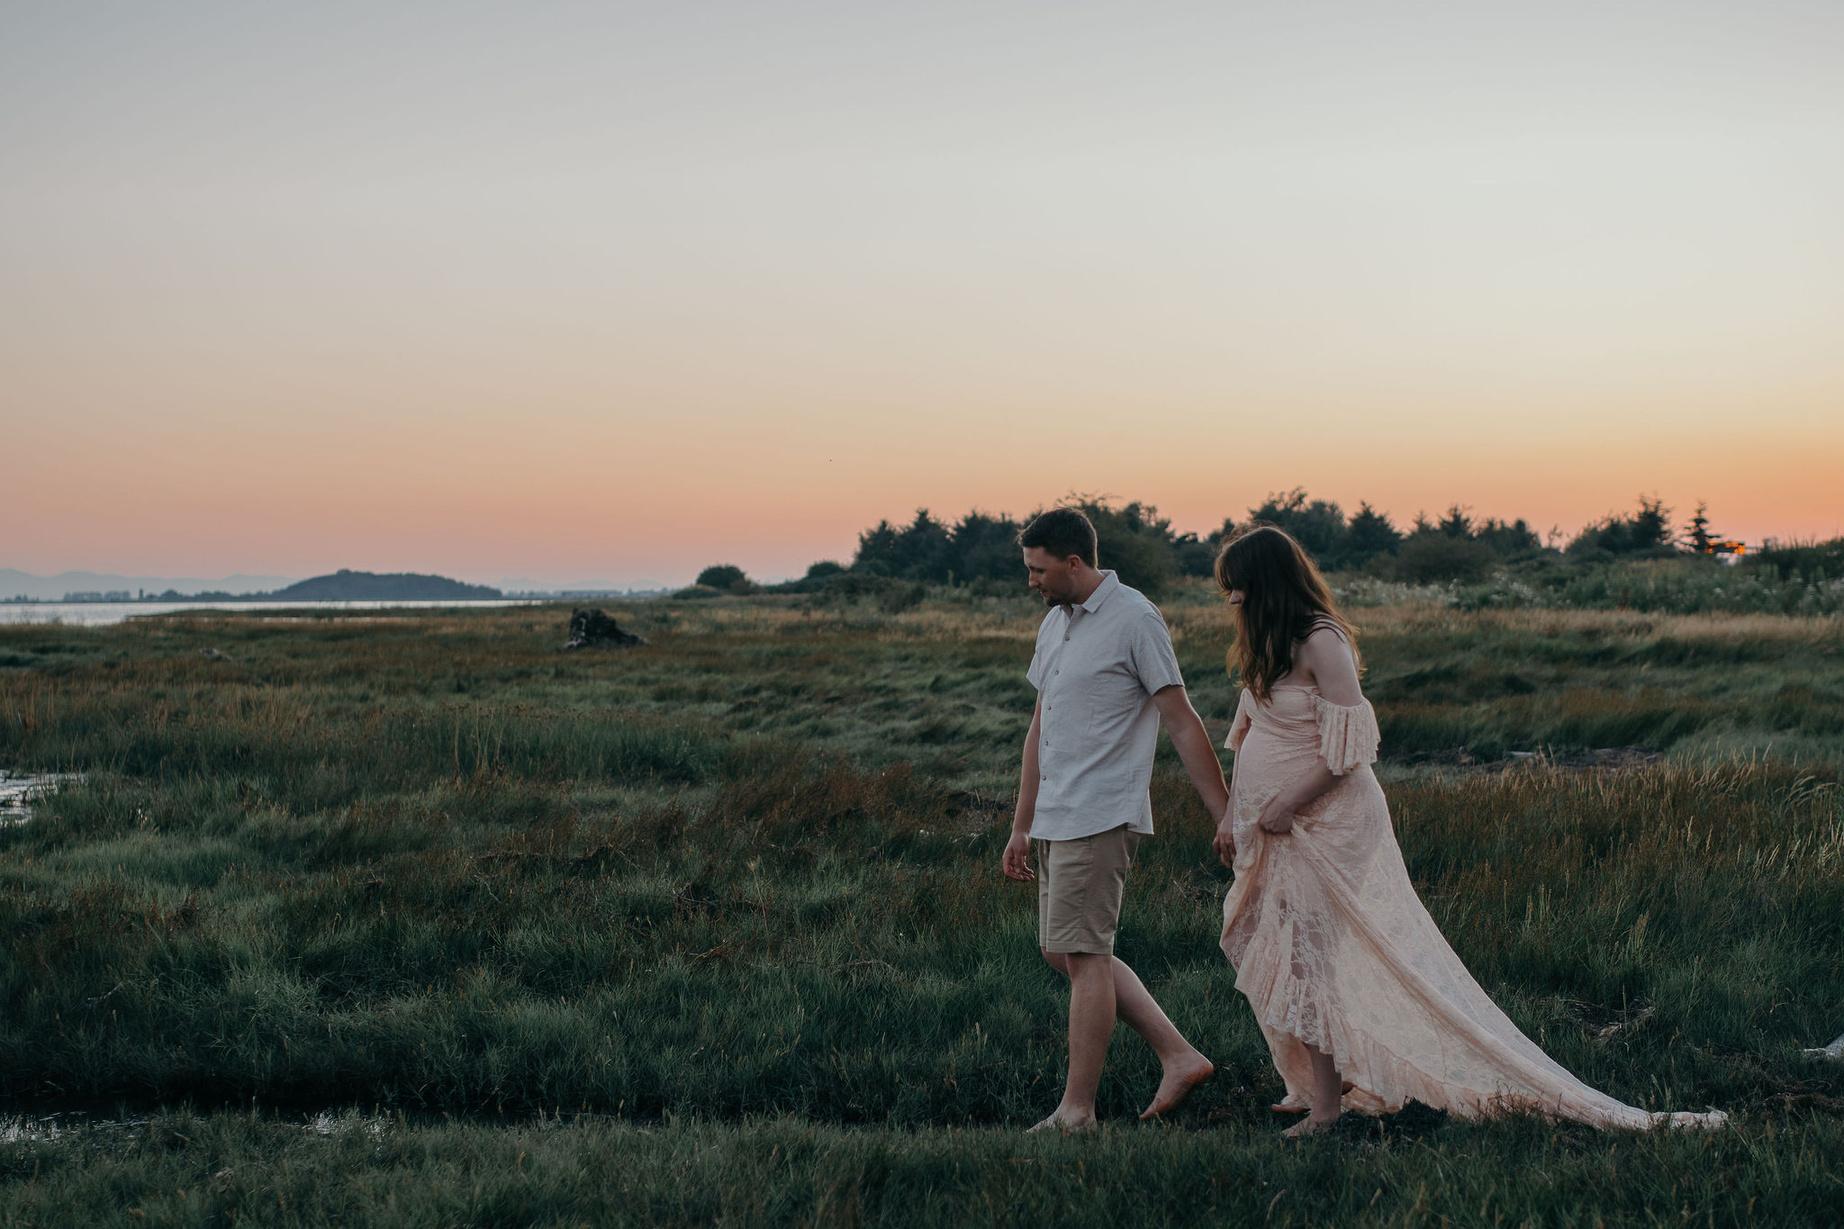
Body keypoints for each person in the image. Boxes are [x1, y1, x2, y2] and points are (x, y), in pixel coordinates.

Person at [1211, 525, 1727, 1137]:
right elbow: (1251, 736)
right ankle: (1324, 1082)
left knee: (1309, 959)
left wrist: (1286, 803)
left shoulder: (1321, 640)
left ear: (1267, 583)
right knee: (1292, 952)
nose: (1232, 600)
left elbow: (1351, 748)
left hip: (1326, 823)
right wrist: (1232, 814)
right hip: (1277, 827)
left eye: (1238, 587)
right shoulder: (1267, 645)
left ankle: (1326, 1110)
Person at [1002, 507, 1228, 1132]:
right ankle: (1179, 1056)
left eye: (1038, 570)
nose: (1031, 581)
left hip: (1100, 813)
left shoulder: (1135, 618)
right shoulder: (1055, 623)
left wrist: (1225, 814)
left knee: (1085, 956)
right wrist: (1021, 824)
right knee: (1063, 952)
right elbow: (1041, 726)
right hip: (1056, 813)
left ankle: (1077, 1110)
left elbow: (1181, 719)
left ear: (1074, 562)